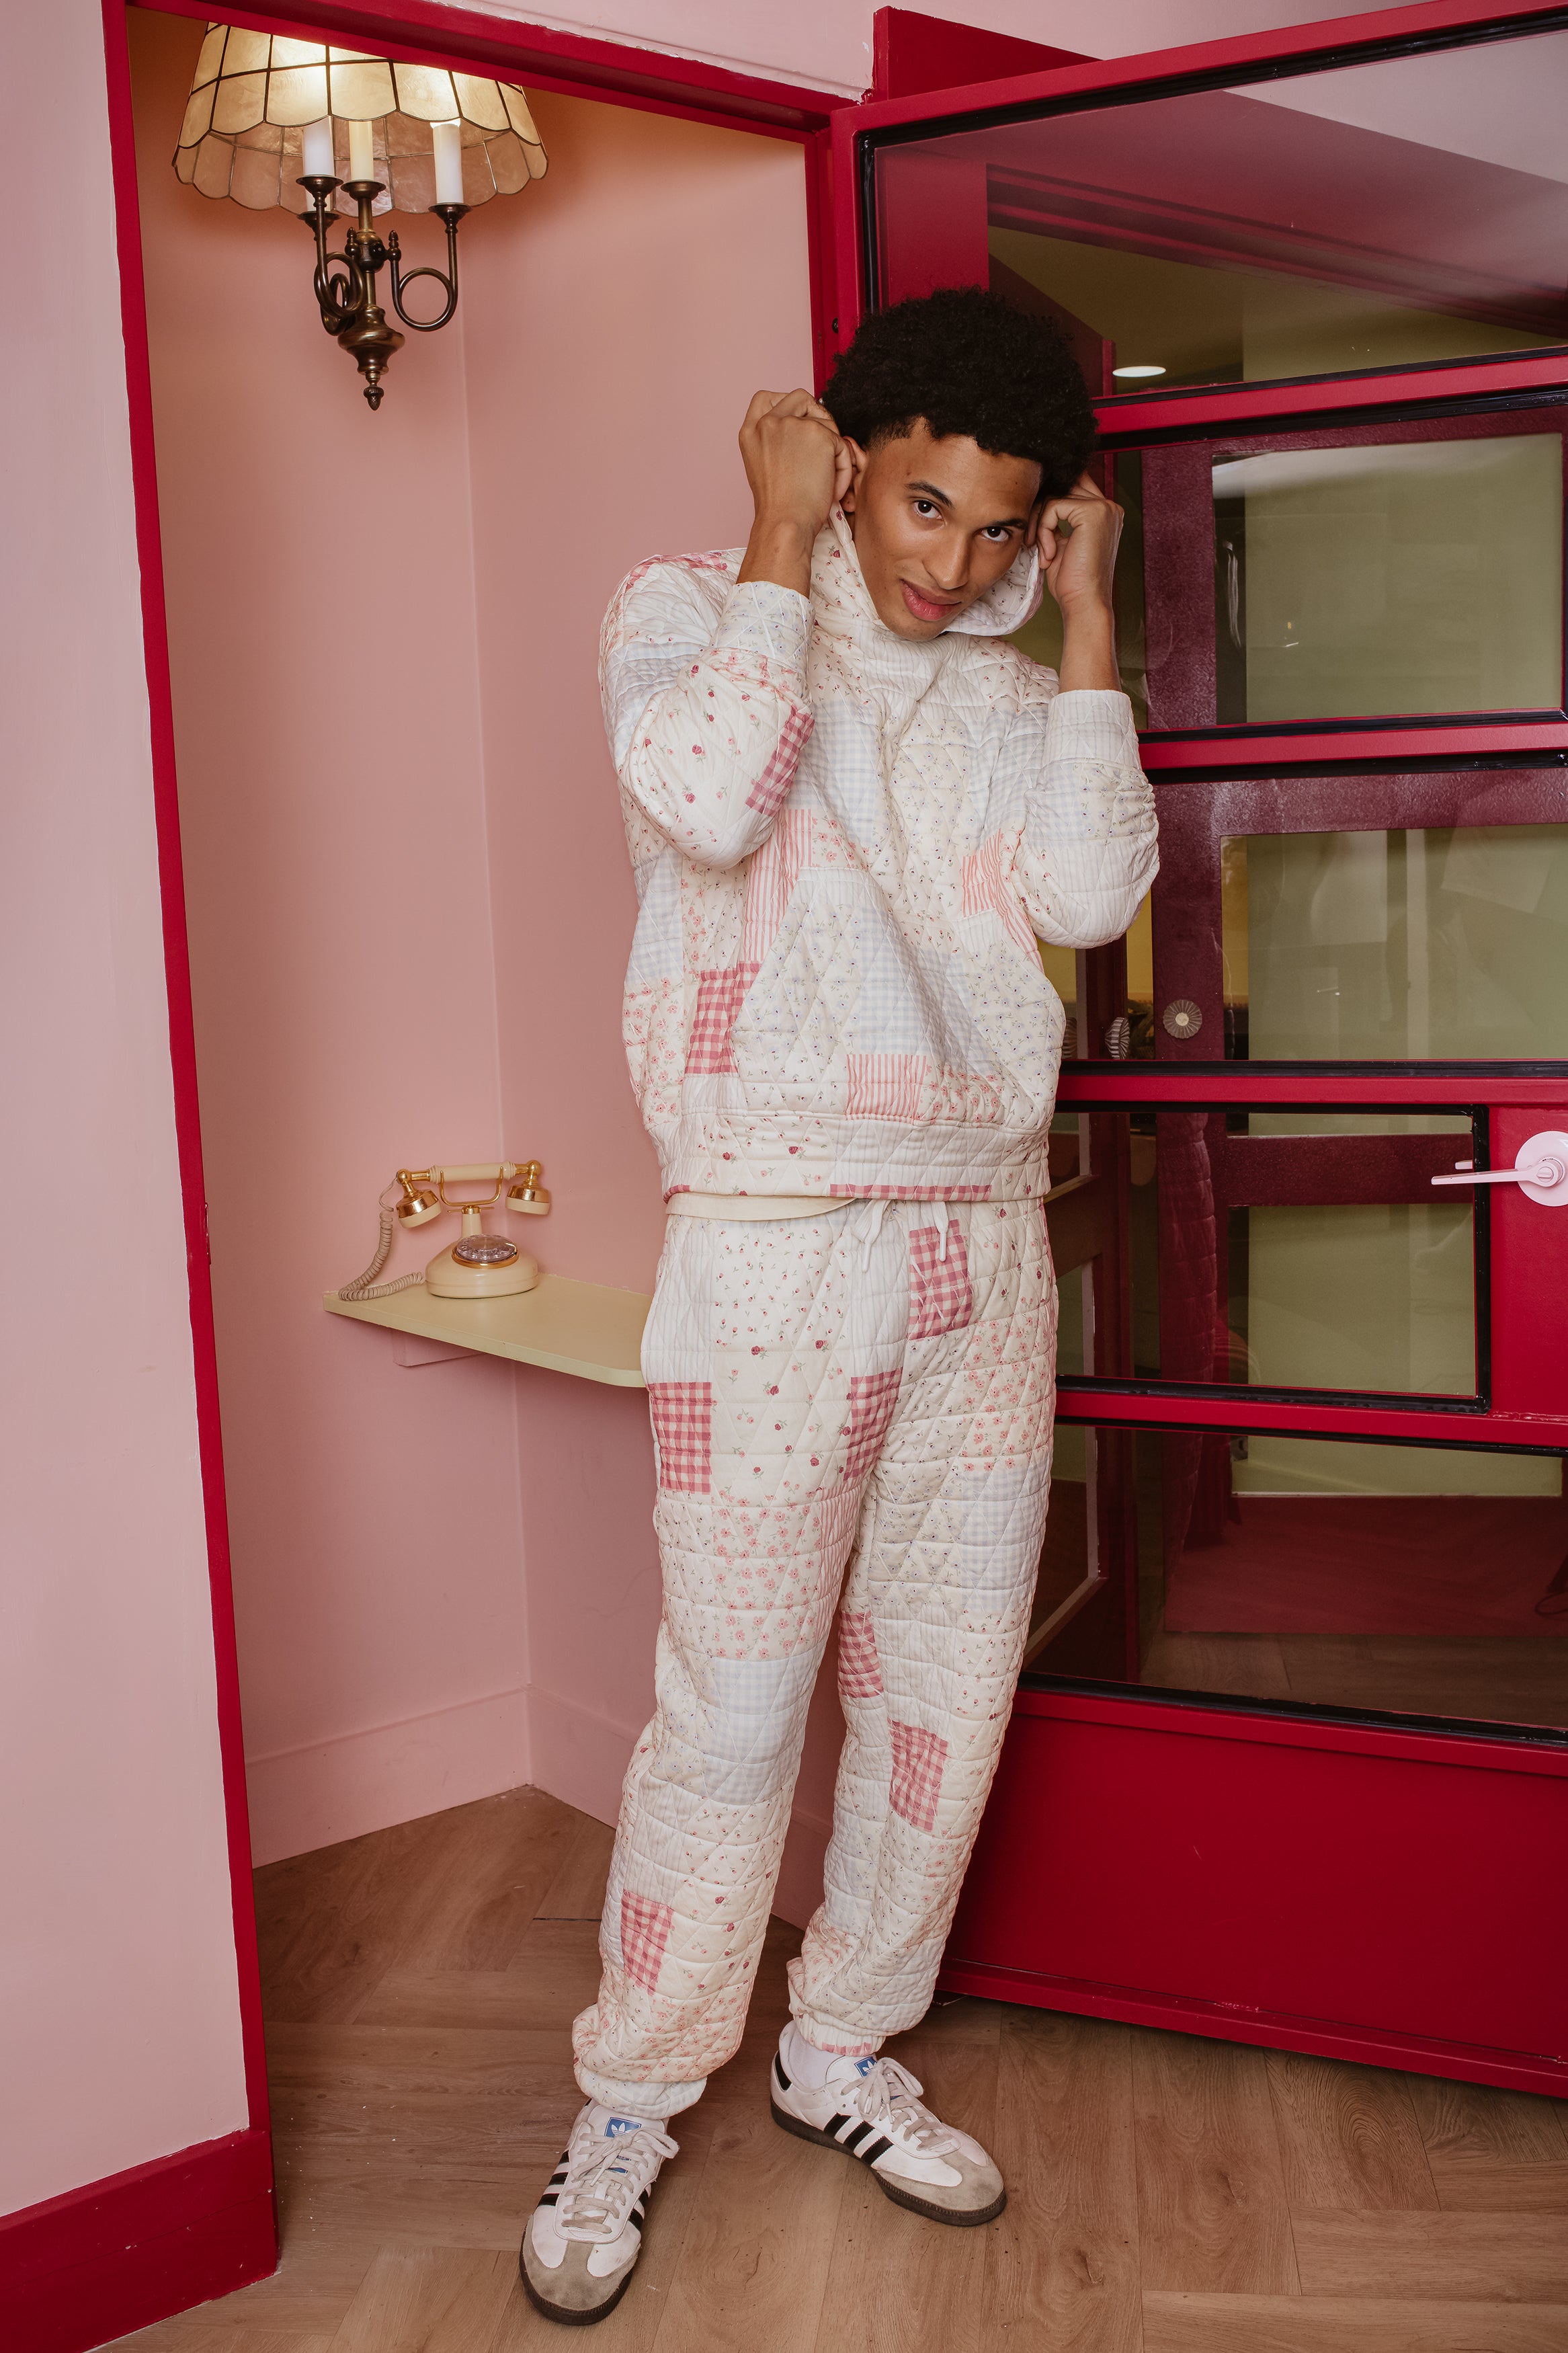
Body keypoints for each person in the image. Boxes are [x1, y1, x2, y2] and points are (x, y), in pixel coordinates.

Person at [522, 285, 1158, 2325]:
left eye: (996, 526)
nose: (947, 558)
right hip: (773, 1237)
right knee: (733, 1705)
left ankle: (838, 2046)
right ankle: (632, 2091)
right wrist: (777, 548)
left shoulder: (1011, 667)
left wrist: (1084, 628)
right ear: (838, 455)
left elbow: (1086, 898)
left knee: (945, 1695)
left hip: (978, 1243)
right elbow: (708, 802)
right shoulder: (688, 609)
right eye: (916, 504)